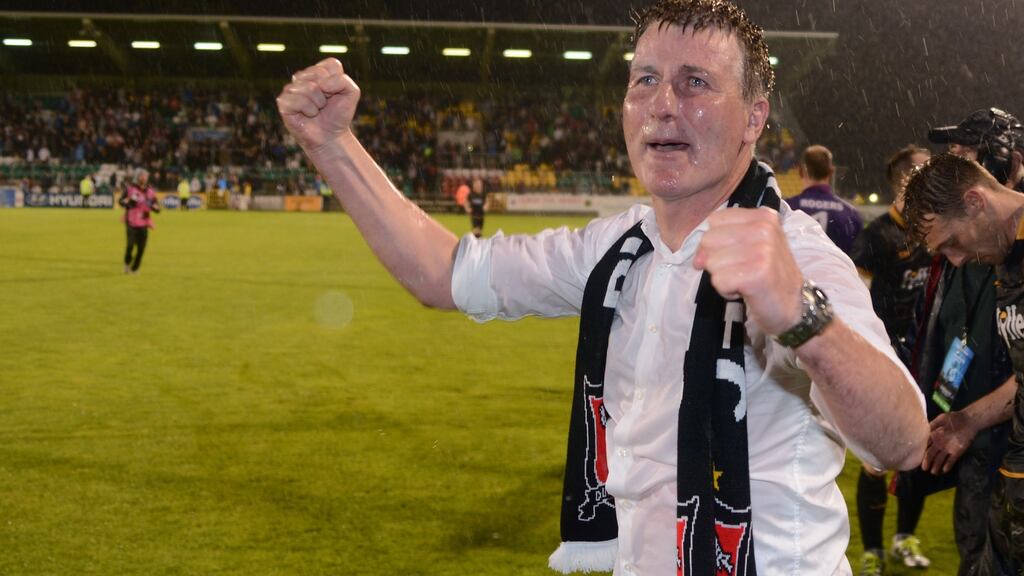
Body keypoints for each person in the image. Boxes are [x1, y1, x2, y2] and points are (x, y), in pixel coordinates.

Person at [276, 1, 928, 573]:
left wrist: (803, 320)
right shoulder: (613, 248)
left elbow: (900, 443)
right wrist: (332, 145)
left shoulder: (793, 252)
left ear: (755, 117)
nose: (663, 104)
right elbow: (443, 273)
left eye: (695, 82)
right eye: (645, 80)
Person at [902, 152, 1024, 576]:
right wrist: (969, 419)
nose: (954, 260)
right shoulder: (1005, 259)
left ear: (975, 201)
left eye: (951, 242)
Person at [849, 145, 933, 575]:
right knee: (875, 461)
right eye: (925, 172)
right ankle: (873, 551)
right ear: (904, 181)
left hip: (924, 358)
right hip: (885, 360)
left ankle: (904, 539)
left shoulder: (932, 232)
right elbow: (851, 301)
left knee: (919, 452)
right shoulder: (876, 237)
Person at [786, 144, 864, 255]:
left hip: (795, 271)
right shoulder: (851, 215)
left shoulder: (787, 208)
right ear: (831, 172)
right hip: (837, 271)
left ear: (801, 171)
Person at [119, 169, 159, 274]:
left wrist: (155, 208)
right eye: (142, 176)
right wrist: (128, 202)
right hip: (131, 222)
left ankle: (135, 268)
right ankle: (127, 263)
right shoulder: (130, 189)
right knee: (130, 246)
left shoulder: (150, 191)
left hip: (144, 223)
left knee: (141, 248)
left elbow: (157, 206)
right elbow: (121, 201)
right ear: (138, 177)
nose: (144, 177)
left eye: (146, 176)